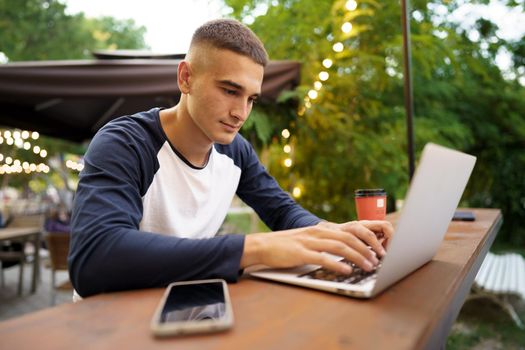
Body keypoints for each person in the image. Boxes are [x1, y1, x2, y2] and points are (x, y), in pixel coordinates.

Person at [69, 19, 394, 298]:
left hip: (186, 310)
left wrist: (329, 233)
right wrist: (251, 248)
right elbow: (94, 259)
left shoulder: (234, 149)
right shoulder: (125, 144)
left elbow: (282, 211)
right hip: (111, 325)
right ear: (185, 78)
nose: (241, 113)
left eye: (251, 98)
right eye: (229, 91)